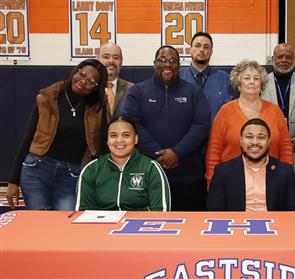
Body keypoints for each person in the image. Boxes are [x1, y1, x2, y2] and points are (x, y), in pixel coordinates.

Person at [6, 59, 108, 210]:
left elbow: (102, 145)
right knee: (39, 224)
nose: (83, 81)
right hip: (36, 169)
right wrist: (13, 181)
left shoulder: (97, 108)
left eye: (91, 81)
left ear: (96, 88)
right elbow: (28, 138)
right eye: (82, 74)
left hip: (70, 175)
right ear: (75, 71)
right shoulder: (47, 97)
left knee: (64, 224)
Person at [121, 46, 210, 211]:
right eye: (162, 60)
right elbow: (131, 123)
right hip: (147, 173)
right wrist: (157, 153)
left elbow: (202, 125)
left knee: (189, 230)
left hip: (188, 176)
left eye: (172, 61)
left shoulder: (194, 92)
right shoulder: (137, 92)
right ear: (154, 64)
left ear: (179, 65)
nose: (167, 65)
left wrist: (177, 152)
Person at [205, 60, 294, 185]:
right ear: (238, 84)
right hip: (231, 182)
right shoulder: (225, 112)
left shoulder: (275, 111)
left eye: (256, 78)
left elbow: (285, 149)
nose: (252, 82)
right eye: (247, 78)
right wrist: (212, 181)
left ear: (261, 84)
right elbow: (214, 151)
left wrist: (286, 178)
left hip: (271, 182)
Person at [76, 116, 171, 211]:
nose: (119, 140)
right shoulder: (92, 169)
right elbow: (83, 211)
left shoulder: (151, 168)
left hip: (138, 224)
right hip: (102, 224)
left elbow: (160, 212)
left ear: (136, 139)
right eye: (113, 135)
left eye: (126, 135)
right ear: (107, 140)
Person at [207, 118, 295, 211]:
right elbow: (215, 213)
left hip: (274, 226)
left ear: (269, 142)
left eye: (261, 137)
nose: (255, 142)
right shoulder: (223, 172)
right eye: (249, 137)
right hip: (238, 226)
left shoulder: (285, 172)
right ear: (241, 141)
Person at [262, 43, 295, 210]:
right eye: (280, 57)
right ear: (273, 59)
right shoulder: (262, 82)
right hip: (271, 149)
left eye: (288, 57)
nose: (284, 60)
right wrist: (277, 141)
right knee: (271, 196)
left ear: (294, 60)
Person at [180, 32, 235, 121]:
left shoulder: (224, 78)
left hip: (216, 133)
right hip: (185, 133)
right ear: (190, 49)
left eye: (206, 47)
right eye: (197, 46)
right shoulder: (178, 77)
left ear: (211, 52)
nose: (201, 50)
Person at [96, 42, 134, 120]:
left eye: (116, 58)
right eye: (106, 57)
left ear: (121, 62)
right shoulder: (89, 89)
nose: (111, 61)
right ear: (98, 60)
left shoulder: (133, 90)